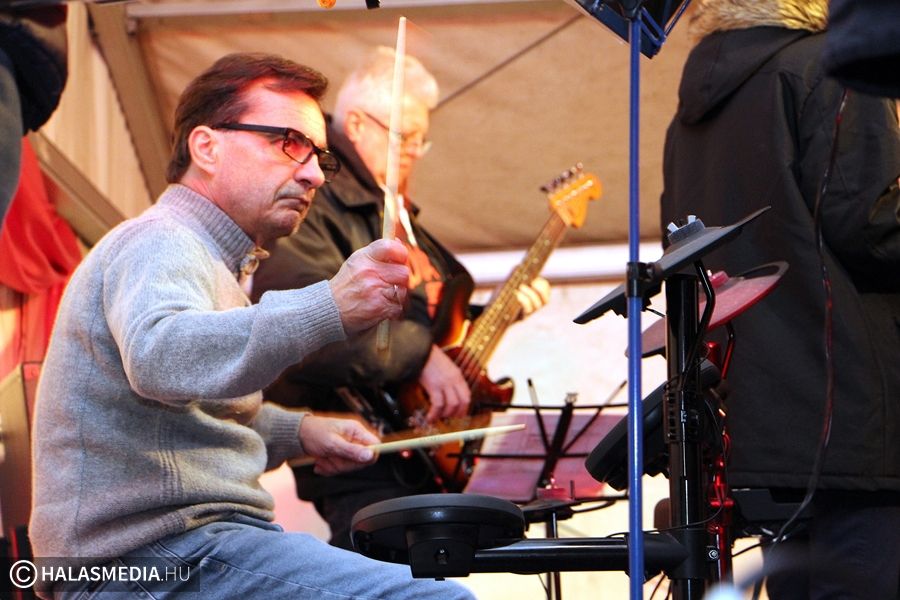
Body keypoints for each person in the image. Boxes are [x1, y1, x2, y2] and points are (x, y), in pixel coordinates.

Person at [28, 52, 474, 600]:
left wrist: (299, 431)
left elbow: (187, 416)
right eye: (287, 142)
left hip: (173, 552)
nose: (313, 173)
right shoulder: (159, 239)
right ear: (206, 147)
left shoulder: (214, 262)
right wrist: (330, 304)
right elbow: (161, 358)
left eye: (319, 156)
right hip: (149, 558)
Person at [252, 47, 549, 550]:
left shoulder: (394, 213)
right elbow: (301, 322)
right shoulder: (315, 202)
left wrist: (496, 315)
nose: (413, 150)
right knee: (392, 573)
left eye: (420, 139)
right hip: (363, 447)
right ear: (356, 124)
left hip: (420, 452)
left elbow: (423, 324)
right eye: (402, 135)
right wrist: (421, 356)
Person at [660, 1, 900, 598]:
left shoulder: (690, 114)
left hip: (760, 424)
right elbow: (874, 226)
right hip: (855, 419)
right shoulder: (835, 68)